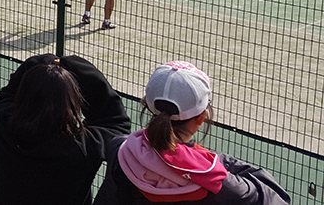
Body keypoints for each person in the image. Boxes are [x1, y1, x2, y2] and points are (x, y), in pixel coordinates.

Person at [94, 62, 291, 205]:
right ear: (201, 118)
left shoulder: (121, 150)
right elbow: (276, 198)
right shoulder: (220, 180)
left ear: (147, 105)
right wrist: (220, 161)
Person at [0, 54, 130, 205]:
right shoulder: (82, 149)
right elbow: (117, 122)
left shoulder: (1, 123)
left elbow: (8, 92)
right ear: (72, 103)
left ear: (22, 96)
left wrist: (42, 62)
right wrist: (71, 64)